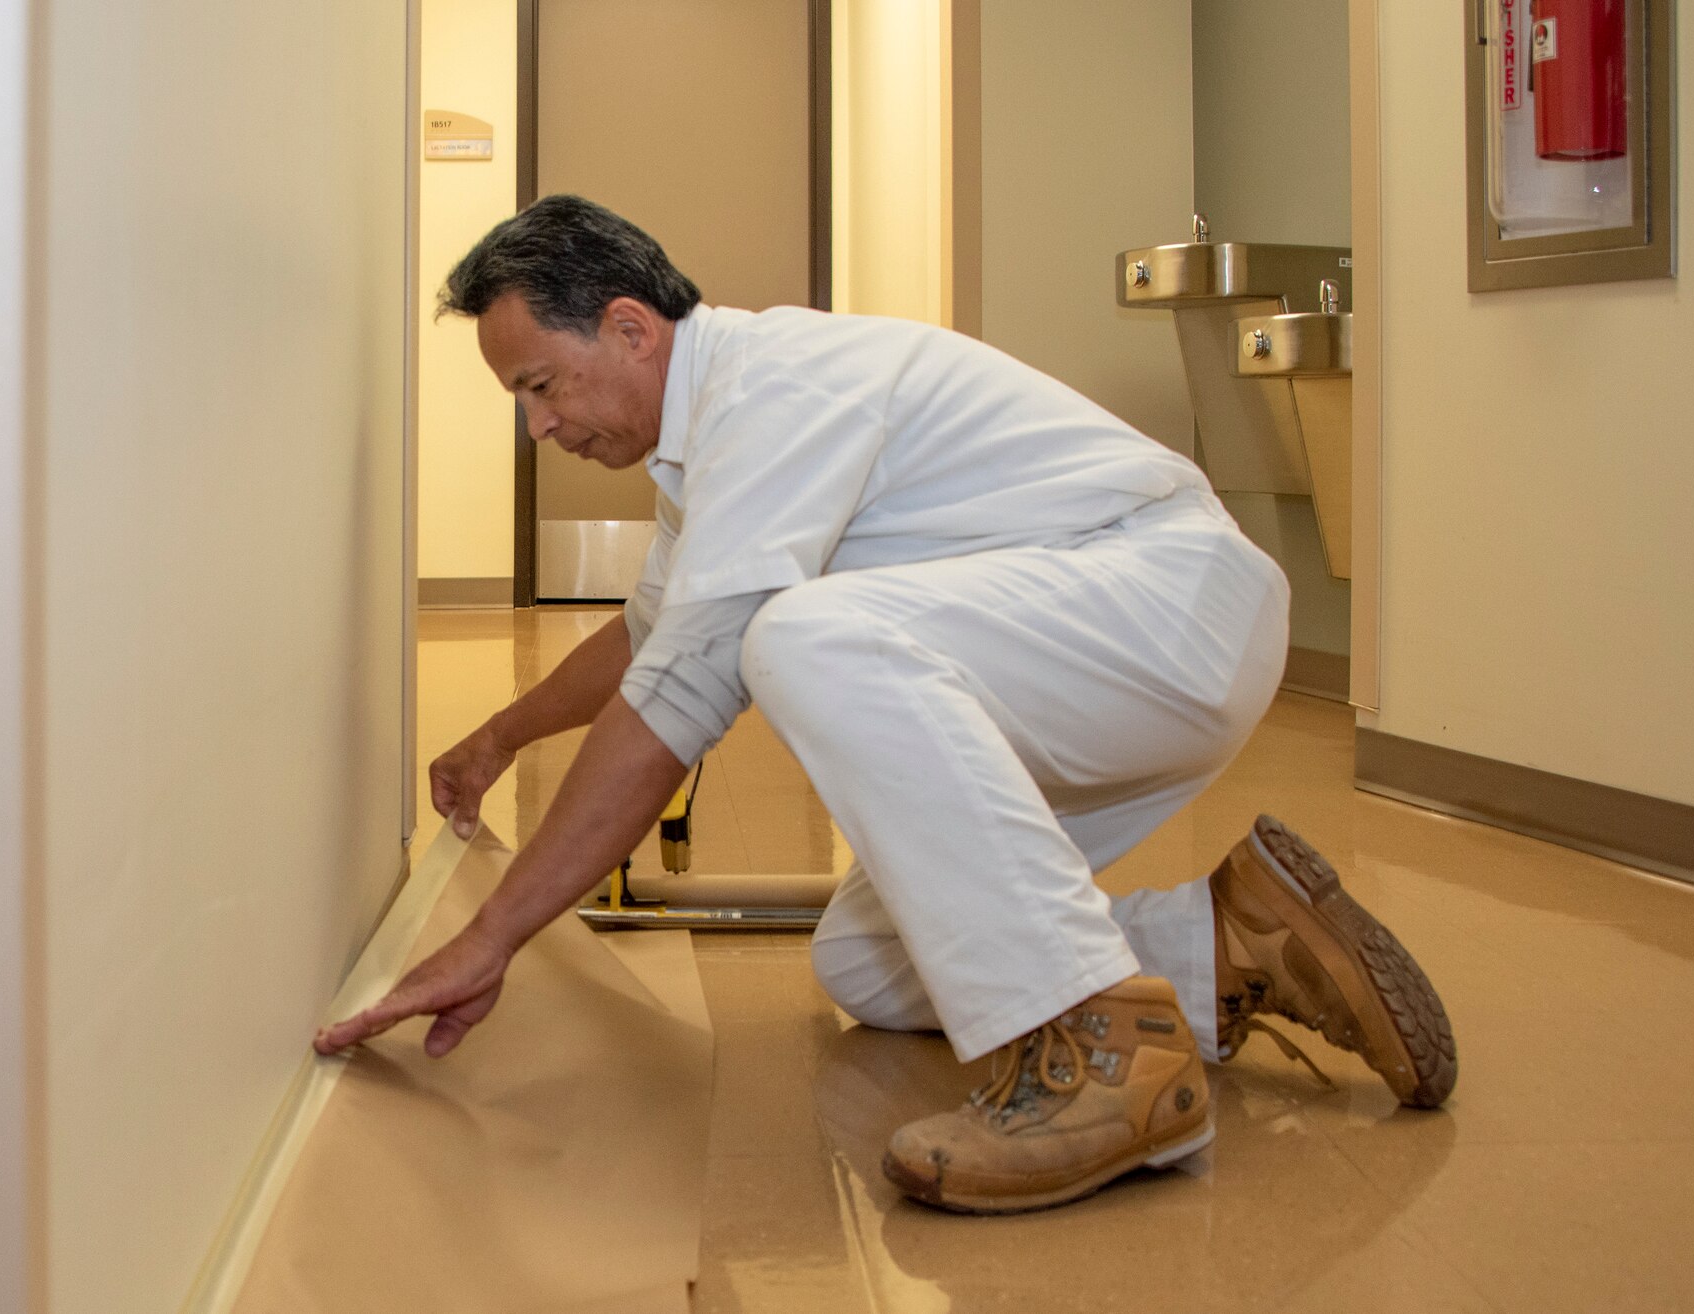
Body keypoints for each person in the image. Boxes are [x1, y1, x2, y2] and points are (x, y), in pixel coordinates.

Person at [316, 194, 1456, 1214]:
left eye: (538, 386)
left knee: (797, 635)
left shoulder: (778, 387)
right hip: (1073, 654)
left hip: (1156, 606)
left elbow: (681, 687)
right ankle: (1228, 941)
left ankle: (1102, 1054)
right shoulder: (705, 453)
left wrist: (490, 938)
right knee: (865, 964)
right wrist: (498, 736)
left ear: (627, 326)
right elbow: (645, 636)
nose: (539, 427)